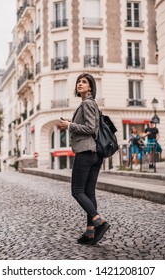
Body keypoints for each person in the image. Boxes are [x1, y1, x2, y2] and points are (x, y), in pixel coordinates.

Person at [59, 73, 110, 245]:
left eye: (84, 82)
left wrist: (70, 125)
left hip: (86, 152)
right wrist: (71, 123)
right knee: (89, 193)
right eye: (78, 82)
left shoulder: (87, 103)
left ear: (90, 87)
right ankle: (90, 232)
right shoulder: (89, 104)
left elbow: (90, 128)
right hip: (95, 154)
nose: (80, 84)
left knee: (77, 191)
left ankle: (99, 222)